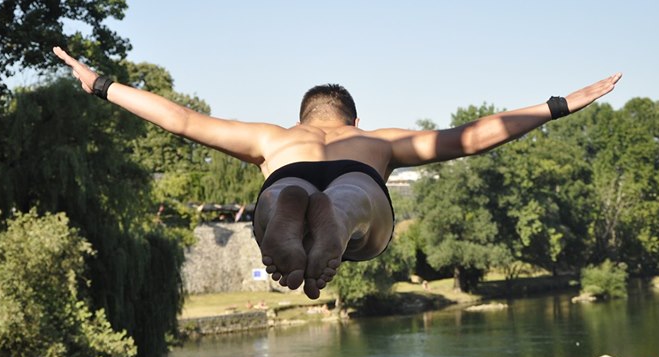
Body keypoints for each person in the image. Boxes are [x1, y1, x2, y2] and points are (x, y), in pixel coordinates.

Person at [54, 46, 621, 299]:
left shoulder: (270, 138)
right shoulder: (378, 140)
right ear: (352, 118)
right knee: (353, 200)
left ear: (302, 118)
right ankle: (339, 213)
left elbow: (179, 120)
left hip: (286, 170)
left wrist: (100, 83)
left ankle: (290, 202)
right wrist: (557, 105)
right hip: (360, 175)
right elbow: (473, 137)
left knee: (284, 194)